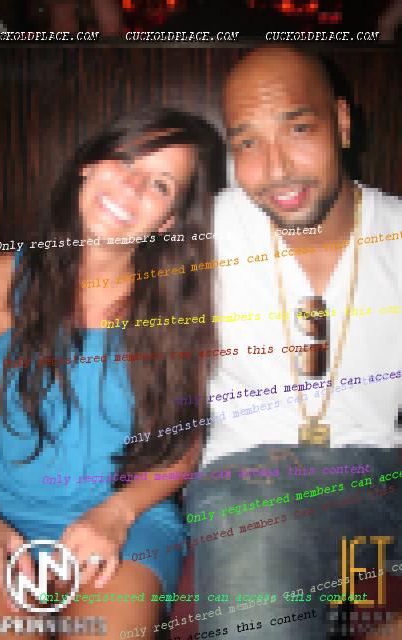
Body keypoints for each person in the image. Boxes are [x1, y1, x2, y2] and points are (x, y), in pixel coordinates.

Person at [0, 107, 225, 639]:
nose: (131, 186)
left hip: (126, 522)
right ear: (88, 165)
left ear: (168, 220)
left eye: (160, 184)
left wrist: (118, 513)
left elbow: (183, 446)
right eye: (126, 160)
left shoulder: (176, 311)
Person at [186, 46, 402, 639]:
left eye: (298, 129)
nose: (276, 168)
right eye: (247, 143)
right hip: (251, 478)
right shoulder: (201, 231)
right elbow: (65, 275)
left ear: (342, 123)